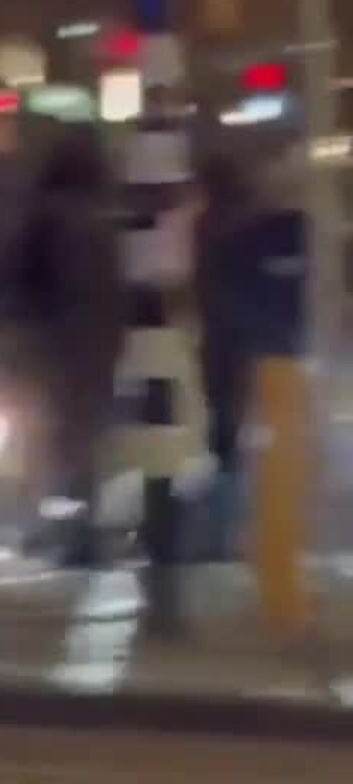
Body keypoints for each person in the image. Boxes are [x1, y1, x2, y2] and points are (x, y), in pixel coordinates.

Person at [13, 129, 124, 566]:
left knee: (49, 442)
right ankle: (84, 528)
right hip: (96, 347)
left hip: (51, 348)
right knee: (85, 442)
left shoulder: (45, 219)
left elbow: (24, 286)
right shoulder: (104, 222)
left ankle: (58, 528)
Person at [191, 151, 257, 559]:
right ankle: (236, 529)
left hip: (217, 340)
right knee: (239, 436)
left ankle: (221, 533)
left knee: (221, 437)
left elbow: (200, 284)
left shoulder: (204, 225)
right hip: (247, 341)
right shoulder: (250, 224)